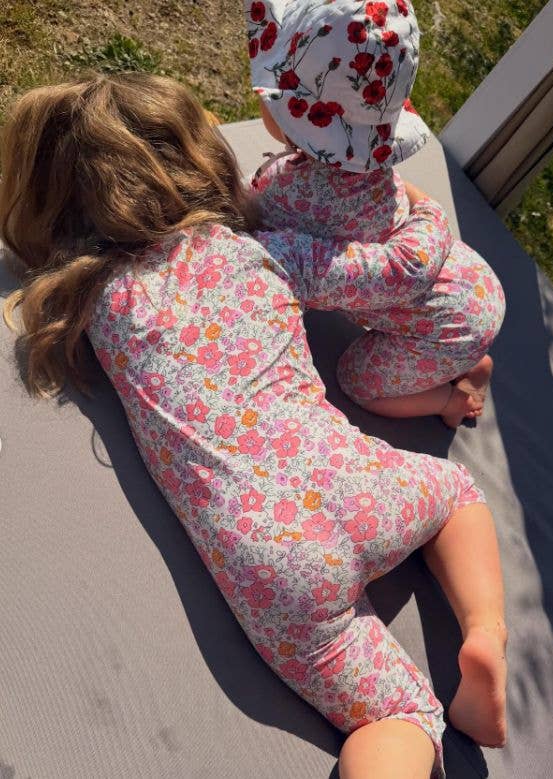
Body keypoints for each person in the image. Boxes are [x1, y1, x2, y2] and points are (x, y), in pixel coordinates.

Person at [1, 73, 507, 779]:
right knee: (454, 492)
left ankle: (423, 719)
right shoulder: (260, 251)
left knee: (397, 716)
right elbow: (386, 274)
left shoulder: (93, 301)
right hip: (356, 480)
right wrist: (421, 212)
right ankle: (485, 635)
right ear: (200, 158)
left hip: (272, 561)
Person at [246, 0, 505, 427]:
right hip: (472, 281)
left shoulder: (292, 201)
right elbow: (412, 201)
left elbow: (254, 243)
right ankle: (466, 362)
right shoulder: (372, 165)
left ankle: (448, 400)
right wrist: (430, 215)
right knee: (441, 335)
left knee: (356, 381)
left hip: (446, 330)